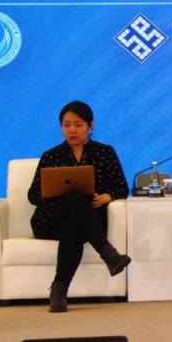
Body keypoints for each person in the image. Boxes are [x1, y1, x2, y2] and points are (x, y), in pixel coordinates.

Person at [28, 100, 131, 312]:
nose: (72, 130)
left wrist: (106, 198)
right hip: (51, 219)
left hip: (89, 220)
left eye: (78, 125)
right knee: (73, 197)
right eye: (66, 125)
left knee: (71, 227)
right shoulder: (51, 155)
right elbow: (33, 195)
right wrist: (54, 196)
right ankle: (108, 253)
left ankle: (58, 291)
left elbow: (121, 188)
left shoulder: (105, 152)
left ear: (90, 125)